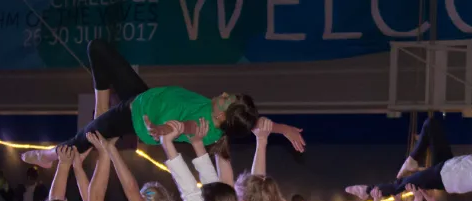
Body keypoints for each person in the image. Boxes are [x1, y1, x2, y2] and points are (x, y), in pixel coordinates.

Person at [20, 39, 305, 169]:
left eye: (227, 99)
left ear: (222, 116)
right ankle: (101, 110)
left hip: (136, 117)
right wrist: (284, 129)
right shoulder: (229, 117)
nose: (224, 93)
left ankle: (50, 156)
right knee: (97, 48)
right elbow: (253, 121)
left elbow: (184, 126)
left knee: (84, 137)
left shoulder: (206, 129)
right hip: (144, 97)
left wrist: (162, 129)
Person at [345, 116, 472, 200]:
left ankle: (368, 191)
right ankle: (413, 159)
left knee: (403, 184)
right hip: (447, 164)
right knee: (431, 124)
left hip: (443, 177)